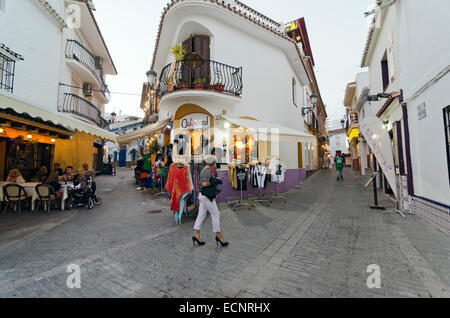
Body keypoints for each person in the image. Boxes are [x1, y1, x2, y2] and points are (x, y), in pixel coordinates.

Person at [193, 155, 229, 247]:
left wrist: (214, 180)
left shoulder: (204, 169)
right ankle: (219, 236)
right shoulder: (208, 170)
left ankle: (196, 235)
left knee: (201, 216)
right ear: (212, 163)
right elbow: (205, 183)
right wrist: (214, 181)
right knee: (216, 215)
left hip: (203, 196)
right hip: (207, 197)